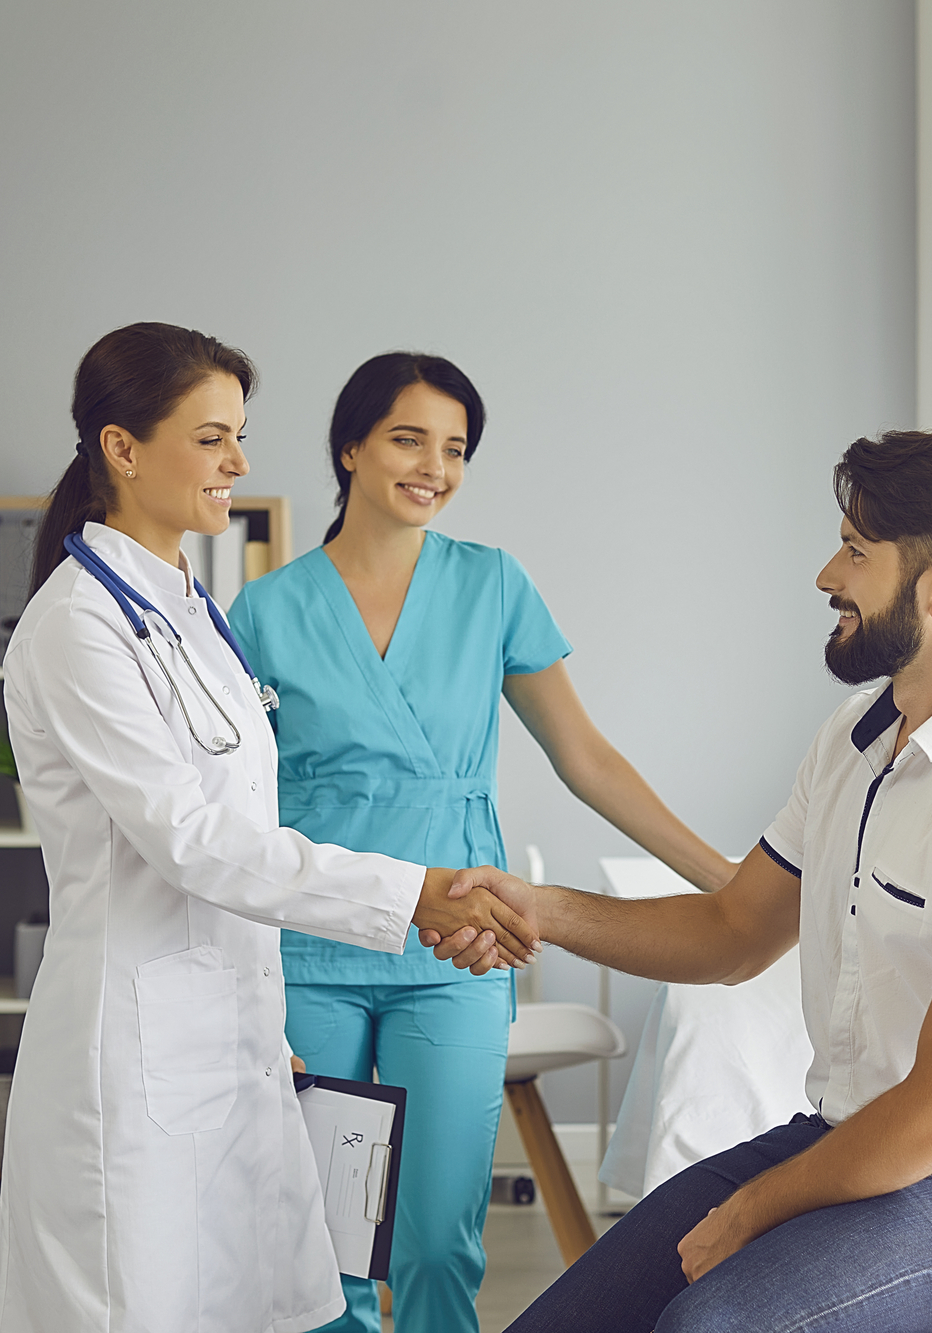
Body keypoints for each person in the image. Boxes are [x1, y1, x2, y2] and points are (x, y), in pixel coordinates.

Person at [436, 429, 932, 1333]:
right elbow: (733, 931)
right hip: (847, 1137)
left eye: (856, 550)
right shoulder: (853, 737)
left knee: (706, 1324)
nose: (826, 573)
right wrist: (545, 911)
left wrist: (751, 1210)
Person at [0, 324, 532, 1333]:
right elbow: (192, 840)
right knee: (137, 1305)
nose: (238, 461)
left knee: (274, 1295)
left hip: (228, 1038)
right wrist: (412, 892)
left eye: (239, 435)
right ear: (121, 446)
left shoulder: (193, 613)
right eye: (211, 438)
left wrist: (252, 1016)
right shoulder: (76, 627)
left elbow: (243, 821)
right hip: (133, 1062)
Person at [227, 352, 732, 1333]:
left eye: (455, 448)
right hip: (308, 952)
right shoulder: (266, 608)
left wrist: (730, 882)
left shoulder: (491, 584)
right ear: (351, 446)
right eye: (408, 438)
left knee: (435, 1238)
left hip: (458, 944)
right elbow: (236, 813)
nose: (435, 466)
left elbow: (584, 758)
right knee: (322, 1244)